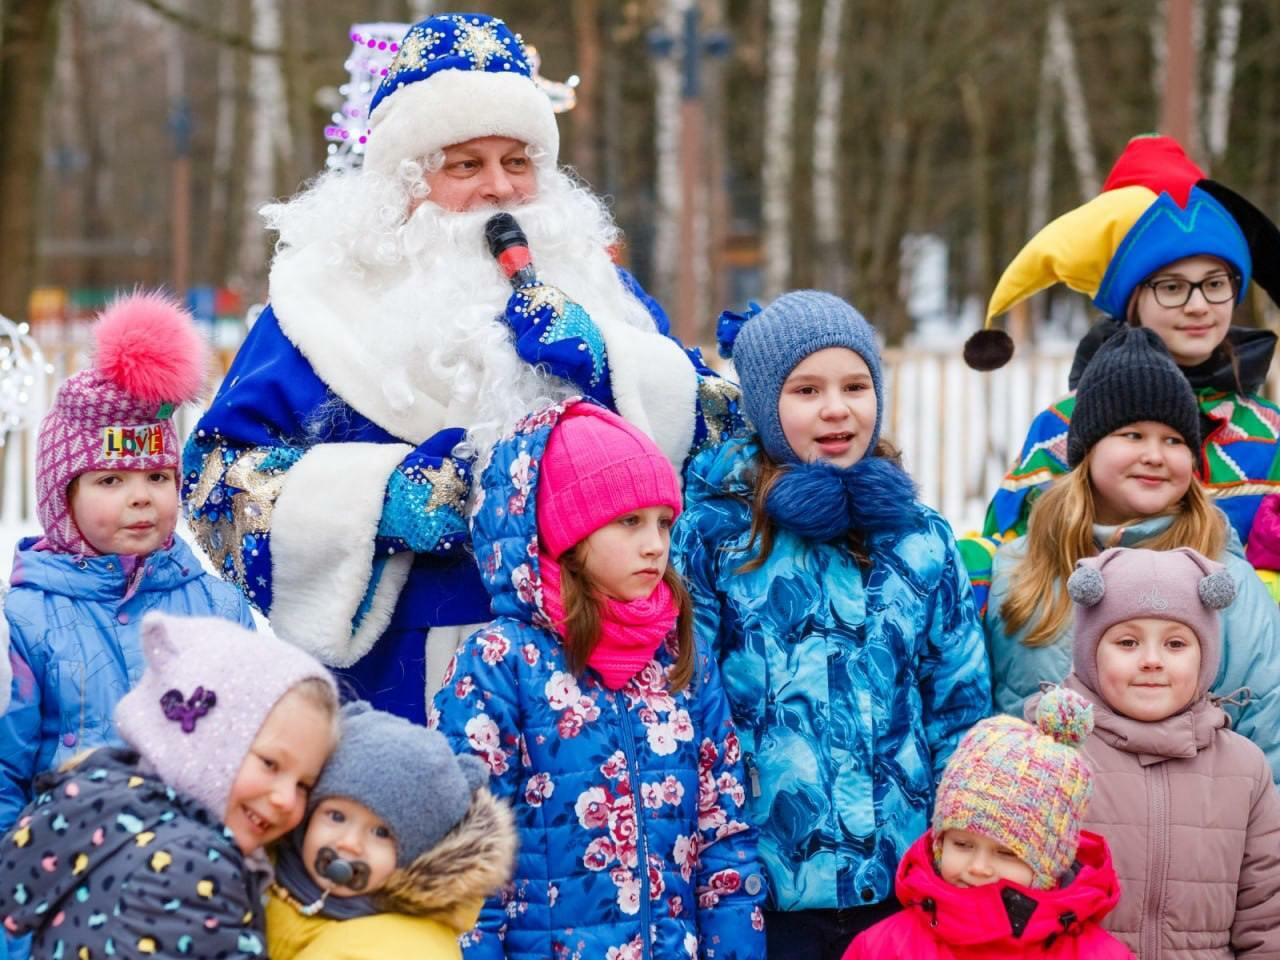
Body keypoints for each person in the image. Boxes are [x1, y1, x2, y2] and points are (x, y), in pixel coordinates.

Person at [182, 12, 743, 724]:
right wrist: (378, 503)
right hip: (408, 675)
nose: (500, 189)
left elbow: (724, 436)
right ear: (404, 182)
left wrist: (609, 362)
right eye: (464, 165)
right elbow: (214, 482)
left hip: (599, 668)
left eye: (517, 162)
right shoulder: (317, 306)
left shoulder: (601, 292)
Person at [669, 291, 991, 959]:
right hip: (763, 887)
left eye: (855, 385)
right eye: (807, 389)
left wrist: (958, 844)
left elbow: (958, 701)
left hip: (899, 883)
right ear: (763, 404)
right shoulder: (716, 537)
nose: (836, 408)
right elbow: (684, 694)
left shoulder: (920, 541)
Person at [431, 399, 766, 958]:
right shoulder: (499, 664)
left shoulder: (682, 655)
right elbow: (465, 856)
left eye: (664, 522)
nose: (655, 544)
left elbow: (722, 831)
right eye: (630, 521)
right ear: (567, 532)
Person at [961, 134, 1280, 612]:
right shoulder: (1062, 430)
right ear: (1131, 301)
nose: (1198, 306)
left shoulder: (1269, 434)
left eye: (1215, 284)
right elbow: (1010, 574)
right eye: (1172, 287)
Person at [0, 292, 254, 834]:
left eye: (157, 477)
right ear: (61, 496)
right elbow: (5, 769)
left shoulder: (218, 608)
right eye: (111, 480)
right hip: (66, 867)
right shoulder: (23, 621)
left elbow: (253, 745)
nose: (141, 498)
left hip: (196, 869)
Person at [983, 325, 1280, 782]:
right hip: (1056, 836)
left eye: (1174, 440)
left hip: (1190, 836)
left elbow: (1268, 731)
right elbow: (999, 719)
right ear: (1087, 448)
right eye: (1133, 435)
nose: (1156, 455)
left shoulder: (1224, 577)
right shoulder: (1023, 568)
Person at [0, 612, 338, 959]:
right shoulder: (192, 866)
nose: (285, 798)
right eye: (270, 764)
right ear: (202, 743)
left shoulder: (102, 806)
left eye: (304, 785)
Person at [1050, 547, 1280, 957]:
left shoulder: (1244, 768)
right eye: (1127, 642)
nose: (1152, 660)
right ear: (1089, 652)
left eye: (1175, 643)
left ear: (1205, 656)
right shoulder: (1052, 754)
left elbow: (1267, 916)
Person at [843, 687, 1133, 959]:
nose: (978, 868)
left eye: (1007, 853)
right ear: (940, 843)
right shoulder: (884, 948)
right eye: (962, 844)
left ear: (1050, 865)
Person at [266, 701, 515, 958]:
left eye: (381, 833)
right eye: (336, 816)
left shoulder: (402, 946)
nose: (349, 843)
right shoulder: (261, 874)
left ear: (417, 854)